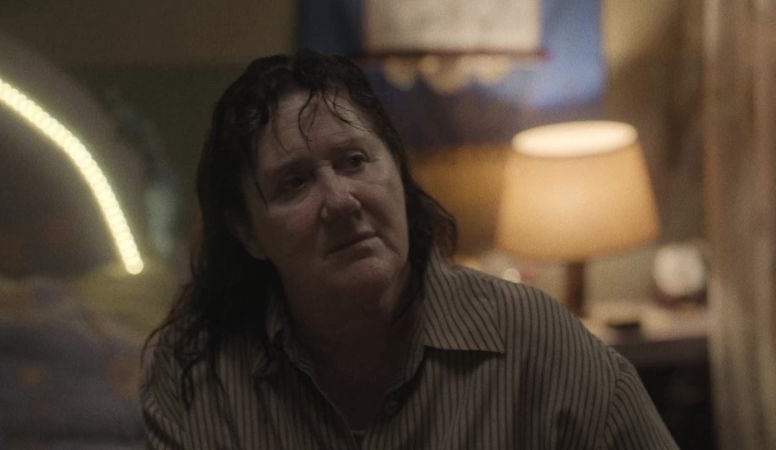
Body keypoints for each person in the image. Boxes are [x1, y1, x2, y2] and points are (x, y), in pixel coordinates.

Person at [141, 49, 678, 449]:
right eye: (295, 183)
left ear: (398, 172)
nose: (341, 201)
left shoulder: (533, 341)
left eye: (355, 161)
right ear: (248, 233)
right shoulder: (200, 376)